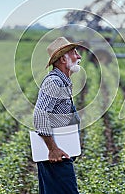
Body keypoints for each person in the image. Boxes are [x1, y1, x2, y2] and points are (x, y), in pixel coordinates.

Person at [33, 37, 82, 194]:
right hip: (55, 156)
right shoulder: (54, 82)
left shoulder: (63, 82)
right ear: (63, 59)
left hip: (59, 155)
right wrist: (53, 149)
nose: (79, 56)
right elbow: (40, 114)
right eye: (75, 52)